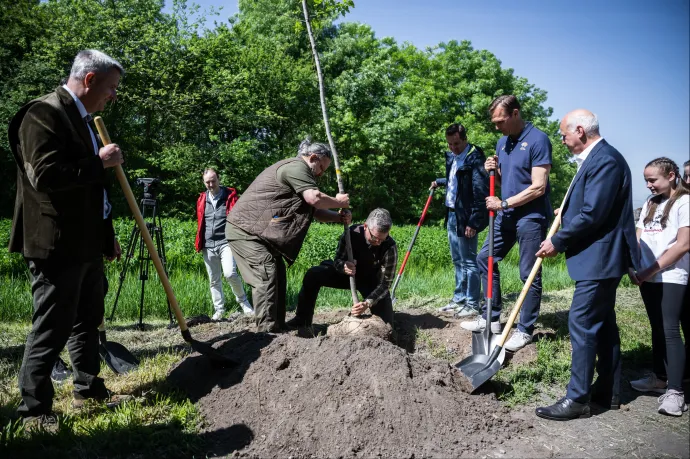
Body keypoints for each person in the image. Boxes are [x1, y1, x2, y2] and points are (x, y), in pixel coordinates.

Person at [8, 50, 129, 423]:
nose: (113, 96)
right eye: (110, 88)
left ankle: (88, 389)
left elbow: (94, 192)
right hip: (55, 242)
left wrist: (106, 234)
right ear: (89, 80)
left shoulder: (86, 120)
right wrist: (99, 162)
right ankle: (33, 408)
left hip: (86, 241)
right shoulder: (43, 113)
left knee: (88, 319)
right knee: (52, 323)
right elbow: (44, 176)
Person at [534, 109, 639, 421]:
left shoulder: (605, 160)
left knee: (580, 323)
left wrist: (559, 239)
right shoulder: (598, 159)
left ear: (580, 130)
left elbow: (594, 213)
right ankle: (607, 392)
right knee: (603, 326)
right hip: (599, 258)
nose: (563, 140)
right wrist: (567, 212)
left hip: (600, 258)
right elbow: (592, 206)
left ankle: (577, 398)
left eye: (564, 134)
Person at [226, 139, 351, 333]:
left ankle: (278, 329)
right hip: (246, 231)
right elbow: (315, 199)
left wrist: (338, 217)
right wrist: (338, 202)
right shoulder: (296, 168)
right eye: (321, 167)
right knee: (266, 275)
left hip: (262, 235)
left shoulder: (303, 176)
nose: (321, 173)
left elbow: (315, 211)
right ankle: (266, 335)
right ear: (313, 158)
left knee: (278, 277)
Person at [461, 95, 552, 352]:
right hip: (507, 214)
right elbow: (506, 181)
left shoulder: (538, 140)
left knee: (528, 273)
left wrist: (503, 203)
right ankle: (492, 317)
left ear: (515, 114)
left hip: (530, 217)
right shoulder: (503, 142)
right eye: (494, 122)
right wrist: (493, 171)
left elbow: (538, 187)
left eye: (500, 121)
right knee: (484, 258)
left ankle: (524, 330)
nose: (497, 127)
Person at [629, 157, 689, 417]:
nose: (649, 185)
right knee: (656, 327)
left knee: (670, 330)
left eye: (653, 180)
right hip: (646, 276)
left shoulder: (685, 202)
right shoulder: (650, 204)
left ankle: (676, 392)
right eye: (646, 180)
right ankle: (660, 378)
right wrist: (633, 265)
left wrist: (650, 270)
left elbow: (683, 244)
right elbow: (639, 237)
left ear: (672, 175)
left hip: (671, 275)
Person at [288, 208, 398, 327]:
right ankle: (302, 320)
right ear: (365, 226)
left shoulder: (390, 247)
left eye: (382, 239)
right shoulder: (351, 233)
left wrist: (367, 303)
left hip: (370, 282)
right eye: (375, 238)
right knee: (313, 274)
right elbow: (337, 260)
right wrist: (343, 266)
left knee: (387, 325)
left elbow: (385, 284)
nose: (378, 242)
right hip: (347, 276)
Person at [431, 123, 489, 317]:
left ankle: (472, 303)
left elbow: (481, 192)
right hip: (452, 213)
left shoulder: (475, 158)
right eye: (450, 144)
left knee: (470, 261)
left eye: (456, 143)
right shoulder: (453, 157)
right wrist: (440, 182)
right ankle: (459, 299)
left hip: (467, 216)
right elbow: (455, 180)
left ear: (464, 139)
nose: (453, 148)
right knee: (457, 260)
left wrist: (474, 221)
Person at [195, 168, 253, 320]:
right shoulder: (202, 199)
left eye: (213, 181)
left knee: (230, 273)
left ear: (219, 179)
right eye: (207, 182)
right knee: (214, 280)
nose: (211, 184)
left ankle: (244, 303)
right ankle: (219, 310)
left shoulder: (230, 196)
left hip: (226, 242)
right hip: (208, 244)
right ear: (203, 182)